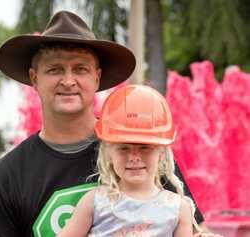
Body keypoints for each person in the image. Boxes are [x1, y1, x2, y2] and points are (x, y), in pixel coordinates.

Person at [0, 10, 220, 237]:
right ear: (34, 78)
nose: (68, 81)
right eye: (55, 69)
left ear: (97, 77)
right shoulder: (6, 179)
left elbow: (195, 230)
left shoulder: (142, 149)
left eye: (80, 69)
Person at [58, 84, 198, 237]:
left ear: (162, 153)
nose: (134, 157)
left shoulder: (178, 208)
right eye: (124, 148)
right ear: (109, 153)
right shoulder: (94, 202)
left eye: (145, 147)